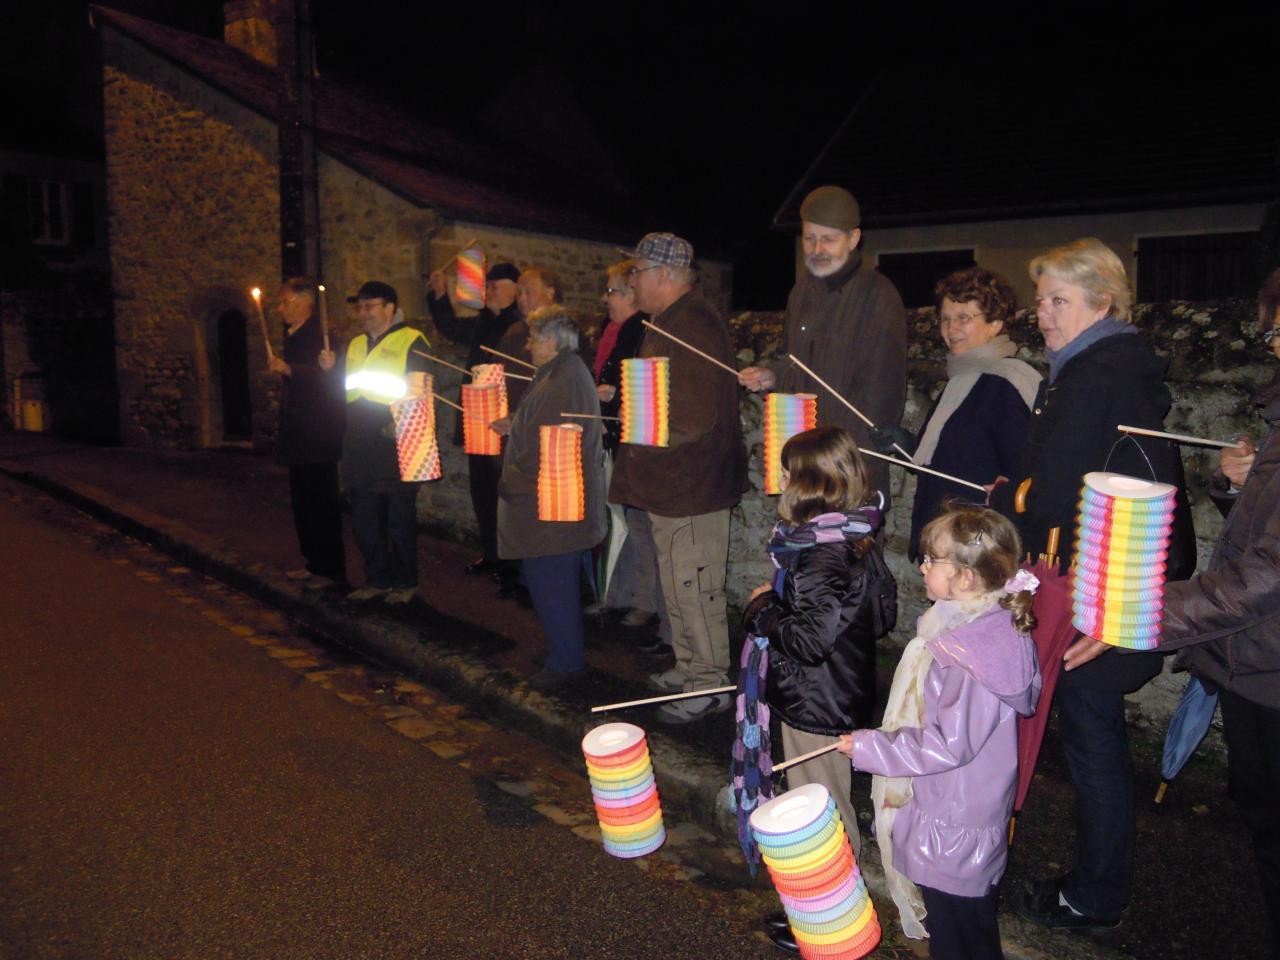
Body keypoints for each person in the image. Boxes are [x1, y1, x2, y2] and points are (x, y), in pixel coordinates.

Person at [1065, 267, 1280, 959]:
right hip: (1258, 662)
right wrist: (1233, 484)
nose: (1273, 346)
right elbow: (1259, 539)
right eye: (1272, 332)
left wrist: (1136, 610)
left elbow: (1265, 576)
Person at [990, 238, 1196, 932]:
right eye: (1041, 299)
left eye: (1059, 301)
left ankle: (1098, 895)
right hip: (1112, 581)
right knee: (1090, 736)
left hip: (1104, 592)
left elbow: (1052, 494)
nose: (1042, 314)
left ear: (1101, 303)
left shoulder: (1094, 377)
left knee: (1093, 741)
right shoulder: (1100, 368)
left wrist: (1011, 498)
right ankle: (1097, 884)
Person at [837, 505, 1041, 959]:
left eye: (933, 560)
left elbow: (949, 743)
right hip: (960, 810)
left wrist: (872, 747)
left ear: (967, 578)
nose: (923, 565)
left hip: (956, 820)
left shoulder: (974, 657)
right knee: (966, 931)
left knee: (959, 937)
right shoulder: (981, 625)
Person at [740, 426, 896, 954]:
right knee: (825, 797)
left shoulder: (820, 554)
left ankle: (837, 918)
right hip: (839, 691)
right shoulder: (852, 533)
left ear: (808, 483)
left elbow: (808, 641)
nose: (780, 480)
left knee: (822, 807)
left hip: (816, 702)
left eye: (787, 472)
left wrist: (763, 609)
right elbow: (881, 613)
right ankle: (830, 908)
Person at [609, 232, 748, 724]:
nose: (631, 281)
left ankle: (711, 684)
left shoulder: (691, 324)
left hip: (692, 484)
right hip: (674, 486)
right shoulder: (671, 321)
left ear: (663, 276)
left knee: (696, 585)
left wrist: (646, 434)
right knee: (679, 584)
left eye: (636, 272)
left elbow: (695, 415)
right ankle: (691, 667)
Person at [739, 185, 907, 499]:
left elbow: (882, 395)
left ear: (853, 239)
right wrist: (774, 374)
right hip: (803, 464)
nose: (817, 249)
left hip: (847, 469)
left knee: (845, 549)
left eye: (828, 239)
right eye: (809, 238)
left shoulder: (878, 296)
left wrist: (847, 468)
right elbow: (798, 362)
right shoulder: (801, 293)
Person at [493, 305, 605, 690]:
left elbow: (554, 444)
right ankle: (561, 651)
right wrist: (515, 424)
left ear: (553, 341)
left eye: (533, 337)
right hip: (546, 504)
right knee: (547, 584)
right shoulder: (558, 372)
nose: (527, 345)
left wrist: (514, 478)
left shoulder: (564, 377)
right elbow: (541, 423)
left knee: (553, 585)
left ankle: (566, 663)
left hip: (552, 506)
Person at [908, 267, 1040, 560]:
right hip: (947, 543)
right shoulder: (961, 379)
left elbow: (1021, 479)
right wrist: (904, 444)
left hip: (976, 551)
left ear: (994, 323)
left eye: (964, 318)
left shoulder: (1006, 386)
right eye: (945, 318)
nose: (951, 329)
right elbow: (949, 457)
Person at [427, 261, 522, 577]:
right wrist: (439, 296)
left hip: (503, 417)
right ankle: (491, 553)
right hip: (476, 416)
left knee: (502, 492)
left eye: (497, 286)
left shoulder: (519, 325)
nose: (490, 292)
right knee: (481, 490)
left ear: (515, 289)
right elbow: (452, 329)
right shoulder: (484, 320)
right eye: (489, 286)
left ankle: (511, 561)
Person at [341, 280, 431, 605]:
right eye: (359, 307)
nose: (362, 313)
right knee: (365, 519)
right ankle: (377, 580)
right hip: (359, 443)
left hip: (394, 443)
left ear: (390, 308)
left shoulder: (413, 341)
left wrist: (401, 422)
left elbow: (420, 390)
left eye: (370, 306)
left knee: (398, 520)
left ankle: (405, 584)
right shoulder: (353, 345)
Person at [591, 259, 666, 637]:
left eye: (614, 291)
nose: (608, 299)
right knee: (620, 520)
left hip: (634, 439)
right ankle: (620, 595)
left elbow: (645, 381)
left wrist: (619, 394)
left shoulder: (641, 328)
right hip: (617, 437)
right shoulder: (614, 331)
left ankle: (642, 602)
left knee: (638, 524)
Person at [268, 277, 347, 589]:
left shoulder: (322, 336)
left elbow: (330, 381)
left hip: (318, 434)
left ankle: (330, 569)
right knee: (303, 502)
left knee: (321, 503)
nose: (279, 309)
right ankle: (313, 562)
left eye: (285, 302)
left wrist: (291, 370)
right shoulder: (294, 335)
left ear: (304, 303)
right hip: (300, 435)